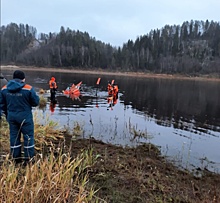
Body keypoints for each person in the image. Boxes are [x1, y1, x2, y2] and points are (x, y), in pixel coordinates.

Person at [0, 70, 39, 164]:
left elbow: (2, 104)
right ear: (23, 78)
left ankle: (15, 159)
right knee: (28, 137)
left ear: (13, 78)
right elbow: (36, 102)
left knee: (14, 137)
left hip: (11, 117)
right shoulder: (28, 88)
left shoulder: (4, 89)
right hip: (25, 117)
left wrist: (6, 114)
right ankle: (28, 160)